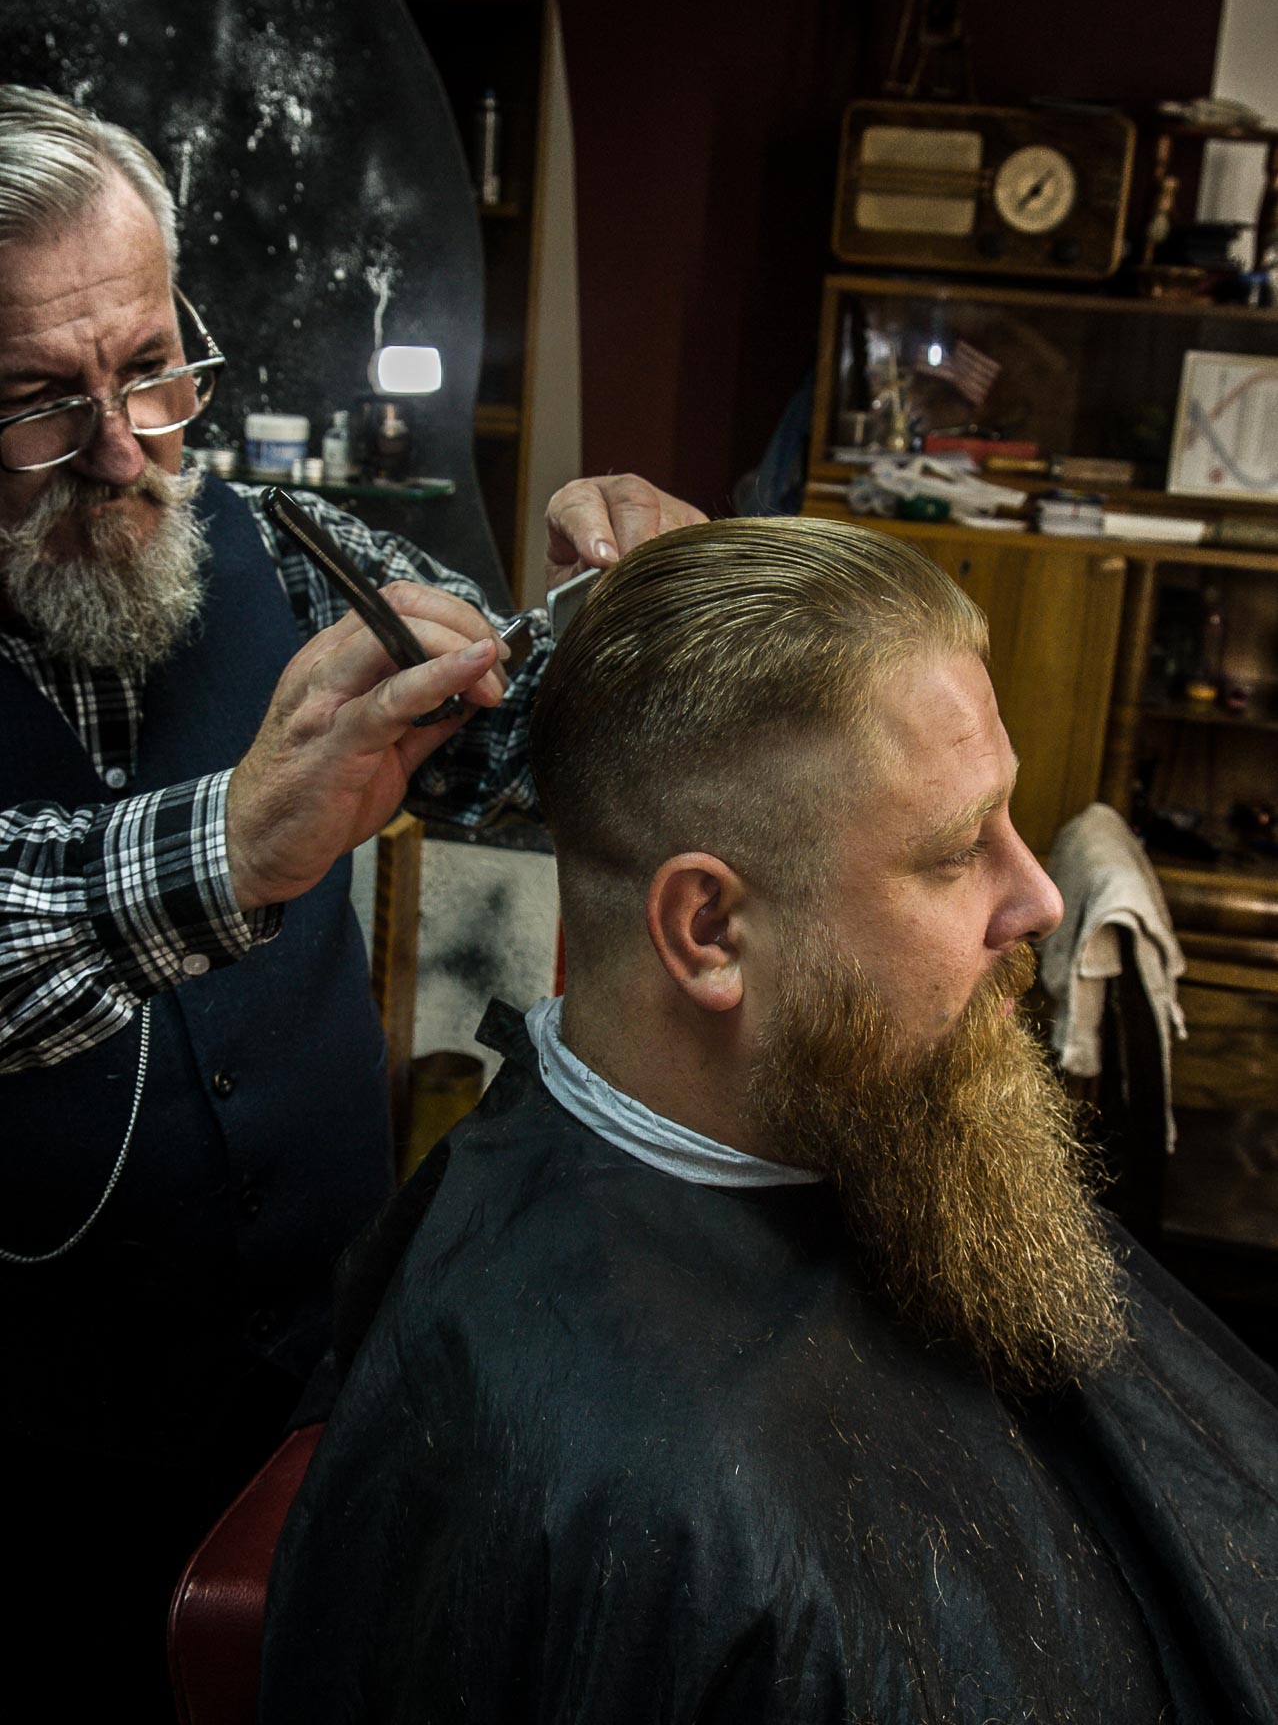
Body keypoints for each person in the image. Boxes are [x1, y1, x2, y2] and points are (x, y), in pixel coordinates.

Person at [263, 517, 1278, 1724]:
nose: (1041, 898)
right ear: (710, 931)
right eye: (958, 852)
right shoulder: (612, 1490)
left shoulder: (877, 1122)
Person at [0, 83, 701, 1710]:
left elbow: (517, 737)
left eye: (152, 367)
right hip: (33, 1462)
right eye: (36, 405)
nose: (125, 451)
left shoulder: (285, 548)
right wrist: (241, 843)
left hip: (322, 1379)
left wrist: (637, 617)